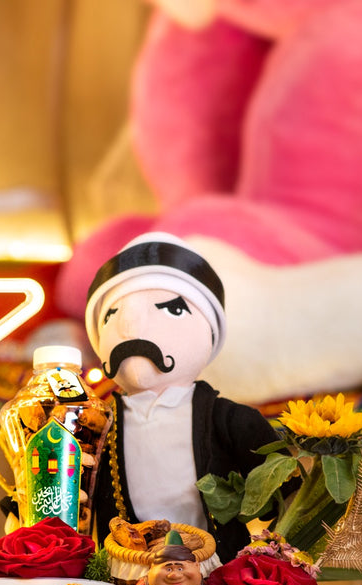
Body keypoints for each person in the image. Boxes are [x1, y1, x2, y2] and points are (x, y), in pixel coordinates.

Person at [84, 231, 279, 562]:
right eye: (112, 314)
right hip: (127, 573)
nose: (130, 327)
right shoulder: (94, 425)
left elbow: (284, 495)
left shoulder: (232, 421)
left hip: (215, 570)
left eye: (171, 309)